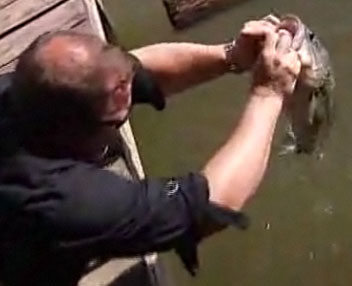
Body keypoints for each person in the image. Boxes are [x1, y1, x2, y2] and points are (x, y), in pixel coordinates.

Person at [0, 16, 301, 286]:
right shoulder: (65, 200)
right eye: (118, 117)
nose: (129, 93)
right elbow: (207, 205)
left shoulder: (30, 90)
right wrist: (269, 93)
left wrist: (231, 55)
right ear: (73, 133)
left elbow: (136, 71)